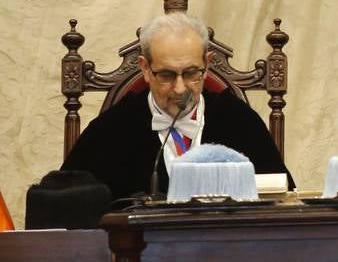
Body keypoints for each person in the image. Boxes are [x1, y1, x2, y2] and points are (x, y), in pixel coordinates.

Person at [60, 12, 290, 203]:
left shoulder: (239, 121)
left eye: (191, 73)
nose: (180, 89)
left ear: (207, 65)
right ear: (145, 69)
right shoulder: (109, 131)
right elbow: (70, 213)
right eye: (167, 75)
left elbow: (283, 202)